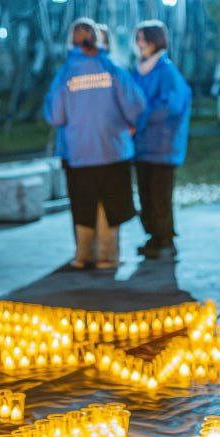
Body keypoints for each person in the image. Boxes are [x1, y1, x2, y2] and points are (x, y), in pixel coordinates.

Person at [44, 19, 146, 270]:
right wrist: (129, 124)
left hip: (78, 153)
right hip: (113, 151)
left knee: (83, 205)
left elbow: (55, 116)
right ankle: (107, 256)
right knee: (111, 205)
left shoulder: (65, 74)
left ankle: (83, 255)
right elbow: (135, 105)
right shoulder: (112, 69)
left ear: (71, 42)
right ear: (98, 40)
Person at [130, 20, 192, 260]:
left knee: (160, 196)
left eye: (144, 39)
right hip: (143, 146)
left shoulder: (166, 72)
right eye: (138, 39)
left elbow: (171, 106)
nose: (140, 44)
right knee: (146, 195)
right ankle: (154, 236)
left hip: (162, 147)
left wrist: (140, 119)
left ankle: (165, 238)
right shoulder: (140, 71)